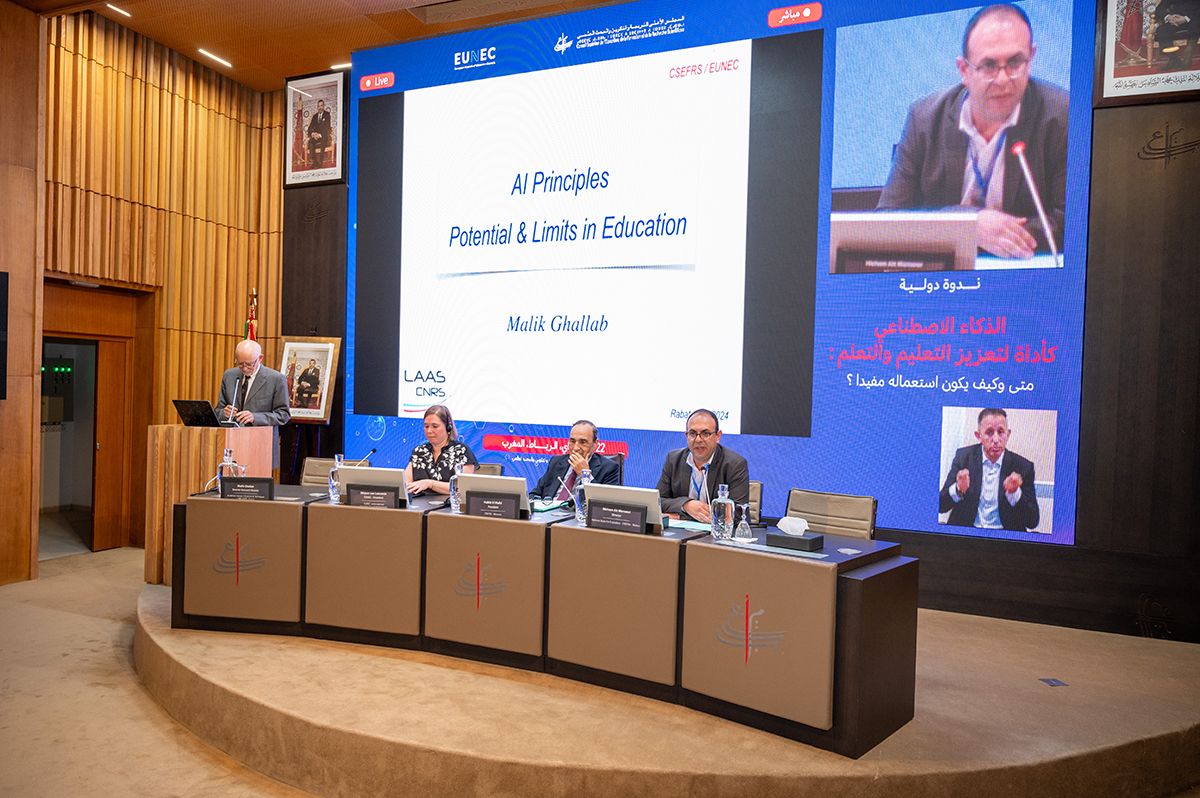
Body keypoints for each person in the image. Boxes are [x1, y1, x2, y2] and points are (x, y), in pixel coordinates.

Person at [876, 4, 1068, 259]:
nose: (1003, 80)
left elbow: (1070, 222)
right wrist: (967, 225)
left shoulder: (1062, 116)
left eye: (1014, 62)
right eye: (988, 65)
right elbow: (887, 219)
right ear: (964, 70)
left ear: (1030, 58)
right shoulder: (923, 120)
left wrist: (996, 237)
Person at [939, 408, 1039, 531]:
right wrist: (958, 489)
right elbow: (941, 506)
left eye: (1001, 432)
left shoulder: (1023, 467)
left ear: (1008, 435)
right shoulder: (963, 458)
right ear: (979, 436)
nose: (996, 440)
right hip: (968, 533)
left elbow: (1032, 521)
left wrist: (1015, 494)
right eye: (989, 432)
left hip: (1003, 536)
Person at [657, 409, 749, 522]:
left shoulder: (734, 464)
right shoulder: (674, 459)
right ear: (686, 436)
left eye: (705, 433)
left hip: (717, 532)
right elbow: (658, 501)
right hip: (679, 531)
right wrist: (686, 505)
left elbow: (737, 515)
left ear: (718, 436)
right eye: (692, 433)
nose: (698, 439)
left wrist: (681, 517)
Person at [214, 339, 291, 468]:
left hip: (260, 446)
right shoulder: (229, 375)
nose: (244, 368)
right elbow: (218, 411)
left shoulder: (276, 379)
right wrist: (224, 413)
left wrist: (255, 417)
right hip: (232, 445)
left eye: (249, 364)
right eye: (240, 363)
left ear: (260, 358)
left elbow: (283, 415)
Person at [529, 420, 621, 500]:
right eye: (572, 441)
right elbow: (535, 494)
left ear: (595, 444)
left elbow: (607, 503)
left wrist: (585, 475)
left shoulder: (609, 468)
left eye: (583, 442)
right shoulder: (556, 461)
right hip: (549, 511)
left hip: (579, 513)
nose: (575, 448)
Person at [404, 405, 478, 496]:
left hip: (449, 504)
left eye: (435, 426)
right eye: (426, 426)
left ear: (448, 427)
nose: (429, 431)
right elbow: (405, 484)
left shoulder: (461, 451)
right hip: (419, 504)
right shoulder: (419, 451)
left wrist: (430, 484)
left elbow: (460, 487)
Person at [1155, 0, 1199, 72]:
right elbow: (1160, 8)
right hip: (1176, 21)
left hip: (1194, 20)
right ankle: (1173, 59)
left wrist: (1185, 18)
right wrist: (1169, 17)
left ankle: (1187, 58)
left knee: (1195, 26)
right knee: (1162, 30)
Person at [306, 99, 332, 168]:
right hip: (316, 136)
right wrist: (313, 134)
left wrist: (320, 135)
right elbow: (310, 127)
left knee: (323, 141)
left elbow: (327, 127)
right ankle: (315, 162)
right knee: (310, 141)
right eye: (318, 106)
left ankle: (320, 161)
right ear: (317, 107)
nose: (320, 107)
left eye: (321, 106)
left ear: (323, 106)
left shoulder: (327, 114)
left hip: (323, 135)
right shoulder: (315, 116)